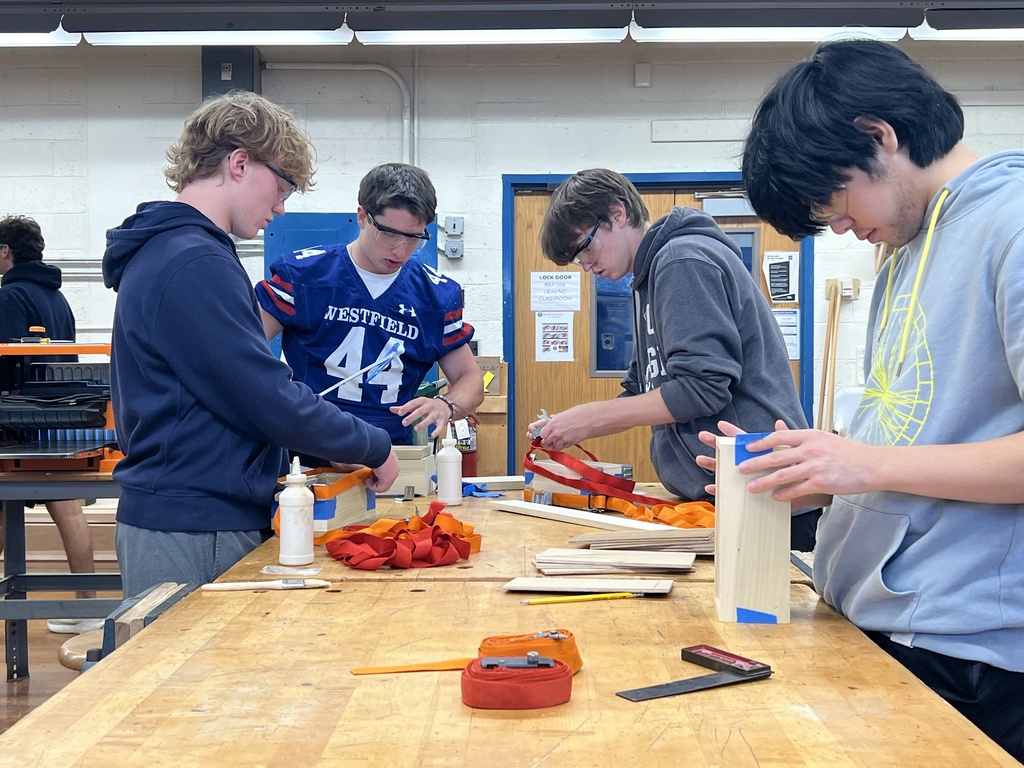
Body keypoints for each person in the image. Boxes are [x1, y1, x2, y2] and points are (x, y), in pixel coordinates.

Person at [721, 39, 1024, 762]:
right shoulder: (908, 241)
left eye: (833, 203)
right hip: (878, 622)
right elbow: (917, 433)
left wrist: (860, 465)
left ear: (878, 137)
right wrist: (799, 472)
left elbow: (885, 461)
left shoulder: (1010, 223)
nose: (841, 227)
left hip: (969, 650)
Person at [102, 91, 399, 600]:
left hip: (190, 517)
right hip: (193, 528)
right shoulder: (194, 262)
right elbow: (263, 395)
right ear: (239, 162)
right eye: (281, 187)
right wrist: (371, 444)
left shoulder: (180, 252)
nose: (280, 208)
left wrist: (321, 446)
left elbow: (224, 401)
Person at [527, 169, 820, 550]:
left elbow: (704, 389)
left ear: (617, 213)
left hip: (763, 496)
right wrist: (571, 425)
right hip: (722, 495)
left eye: (585, 247)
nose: (584, 264)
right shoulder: (646, 279)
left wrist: (591, 417)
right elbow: (641, 389)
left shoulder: (682, 261)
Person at [256, 162, 483, 448]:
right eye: (388, 233)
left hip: (388, 450)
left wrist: (446, 406)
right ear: (362, 216)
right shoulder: (304, 275)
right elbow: (239, 348)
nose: (400, 249)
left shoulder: (435, 295)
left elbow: (471, 380)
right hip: (307, 444)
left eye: (414, 238)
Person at [0, 214, 100, 634]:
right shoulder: (57, 298)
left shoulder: (9, 297)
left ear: (5, 251)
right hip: (60, 418)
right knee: (67, 504)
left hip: (15, 420)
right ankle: (87, 607)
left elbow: (5, 366)